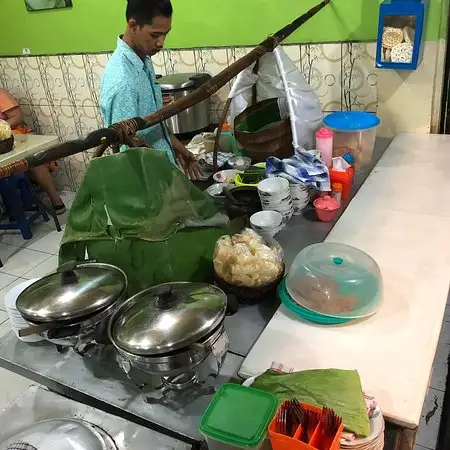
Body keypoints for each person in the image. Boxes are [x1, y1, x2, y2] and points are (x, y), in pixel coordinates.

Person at [100, 0, 201, 179]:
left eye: (165, 34)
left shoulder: (143, 59)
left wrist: (179, 149)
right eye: (155, 35)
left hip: (165, 172)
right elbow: (129, 155)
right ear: (133, 26)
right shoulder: (123, 81)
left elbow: (152, 123)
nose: (161, 43)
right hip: (150, 182)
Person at [0, 88, 66, 214]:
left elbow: (17, 117)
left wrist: (2, 128)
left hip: (16, 137)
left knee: (32, 159)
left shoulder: (0, 94)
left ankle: (55, 200)